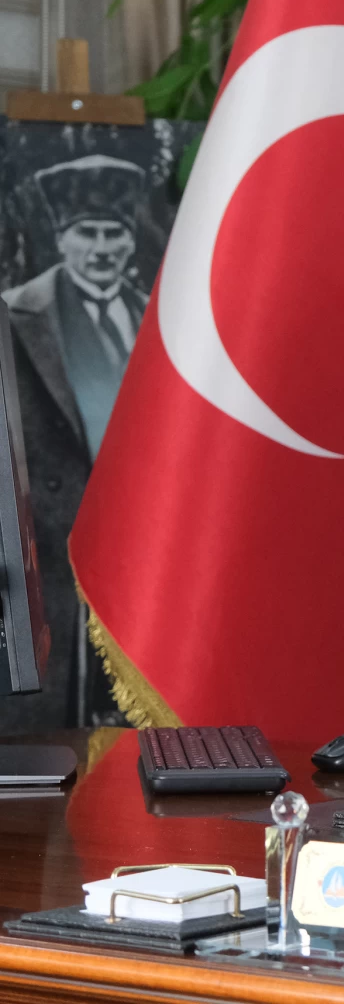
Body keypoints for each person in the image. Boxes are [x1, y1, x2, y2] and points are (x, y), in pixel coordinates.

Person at [0, 154, 149, 734]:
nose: (102, 248)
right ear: (62, 238)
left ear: (131, 242)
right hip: (43, 549)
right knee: (45, 728)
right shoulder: (13, 315)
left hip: (137, 546)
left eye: (115, 233)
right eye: (88, 232)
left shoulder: (157, 319)